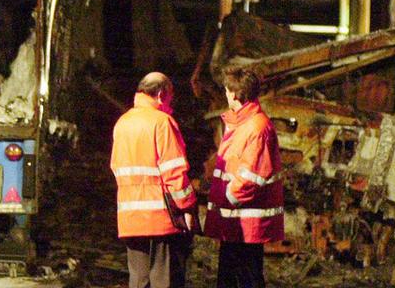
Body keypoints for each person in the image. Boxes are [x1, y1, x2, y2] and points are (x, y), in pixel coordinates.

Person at [111, 72, 197, 288]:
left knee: (139, 281)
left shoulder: (123, 123)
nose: (170, 105)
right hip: (161, 220)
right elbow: (174, 173)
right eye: (169, 99)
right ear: (160, 95)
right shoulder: (162, 122)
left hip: (130, 219)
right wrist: (188, 208)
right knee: (164, 281)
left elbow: (116, 168)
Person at [204, 68, 284, 288]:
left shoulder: (255, 127)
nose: (226, 94)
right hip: (236, 221)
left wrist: (228, 196)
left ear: (234, 94)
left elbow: (252, 178)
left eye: (227, 90)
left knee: (246, 277)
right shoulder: (244, 124)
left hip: (244, 221)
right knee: (232, 277)